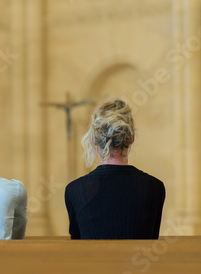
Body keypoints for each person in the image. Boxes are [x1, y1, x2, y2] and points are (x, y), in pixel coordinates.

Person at [65, 99, 165, 239]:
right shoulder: (155, 187)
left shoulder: (74, 190)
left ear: (93, 138)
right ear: (132, 138)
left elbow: (77, 244)